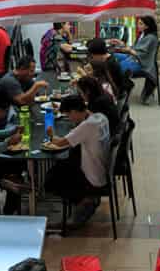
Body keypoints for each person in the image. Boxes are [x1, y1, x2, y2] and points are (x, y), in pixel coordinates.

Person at [44, 95, 111, 227]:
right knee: (62, 166)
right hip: (102, 169)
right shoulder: (100, 117)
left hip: (92, 176)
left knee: (51, 179)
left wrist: (51, 134)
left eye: (68, 115)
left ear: (74, 111)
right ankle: (85, 200)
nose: (69, 118)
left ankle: (84, 201)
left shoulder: (87, 126)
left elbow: (60, 143)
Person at [109, 16, 160, 104]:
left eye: (141, 24)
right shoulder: (143, 34)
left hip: (141, 63)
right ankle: (118, 87)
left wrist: (127, 50)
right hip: (134, 58)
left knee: (116, 67)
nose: (138, 25)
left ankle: (122, 89)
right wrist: (121, 43)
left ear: (147, 26)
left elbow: (141, 54)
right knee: (112, 56)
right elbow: (135, 49)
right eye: (138, 23)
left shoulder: (151, 38)